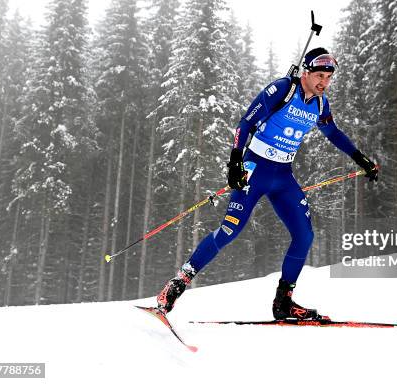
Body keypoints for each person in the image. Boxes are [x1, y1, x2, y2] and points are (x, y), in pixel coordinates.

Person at [156, 47, 379, 320]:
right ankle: (176, 285)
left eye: (329, 78)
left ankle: (283, 301)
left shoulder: (320, 105)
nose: (324, 82)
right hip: (255, 169)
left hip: (283, 176)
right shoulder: (283, 90)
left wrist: (360, 158)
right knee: (229, 231)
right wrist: (235, 161)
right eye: (319, 75)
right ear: (306, 73)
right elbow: (245, 123)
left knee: (304, 235)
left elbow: (333, 132)